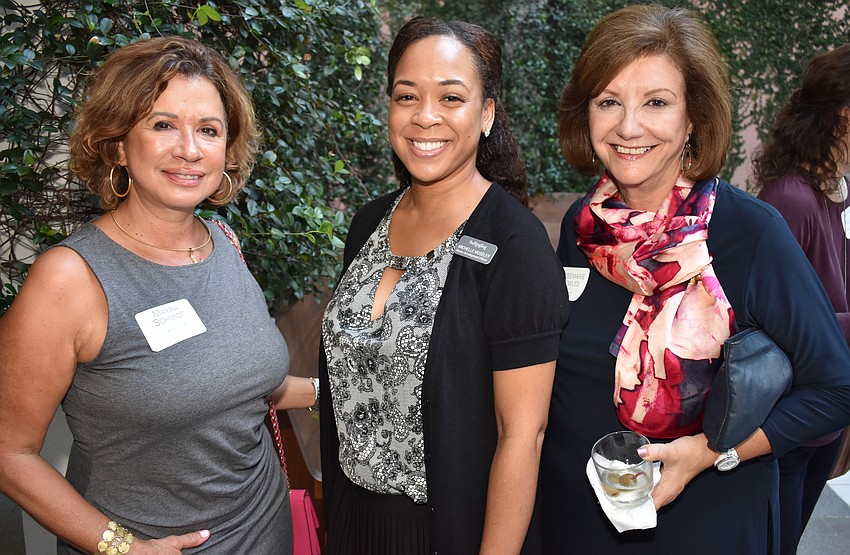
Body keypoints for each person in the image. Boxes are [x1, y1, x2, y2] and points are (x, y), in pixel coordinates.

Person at [534, 5, 850, 554]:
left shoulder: (751, 233)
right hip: (576, 520)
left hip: (705, 526)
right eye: (609, 102)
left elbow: (836, 388)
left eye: (656, 102)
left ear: (693, 118)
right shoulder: (582, 227)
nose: (629, 127)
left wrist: (711, 451)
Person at [0, 36, 319, 554]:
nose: (189, 149)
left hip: (266, 532)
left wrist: (341, 389)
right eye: (163, 124)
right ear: (119, 145)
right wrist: (122, 547)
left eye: (208, 130)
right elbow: (9, 453)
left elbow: (236, 385)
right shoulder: (70, 279)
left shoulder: (224, 244)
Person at [317, 16, 569, 555]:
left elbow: (522, 437)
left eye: (451, 98)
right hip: (352, 520)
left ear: (487, 114)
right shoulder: (368, 224)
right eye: (407, 96)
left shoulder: (514, 245)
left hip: (447, 532)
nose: (425, 117)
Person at [753, 44, 850, 555]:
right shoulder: (790, 199)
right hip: (791, 416)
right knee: (777, 543)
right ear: (843, 117)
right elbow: (773, 320)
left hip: (827, 408)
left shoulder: (836, 192)